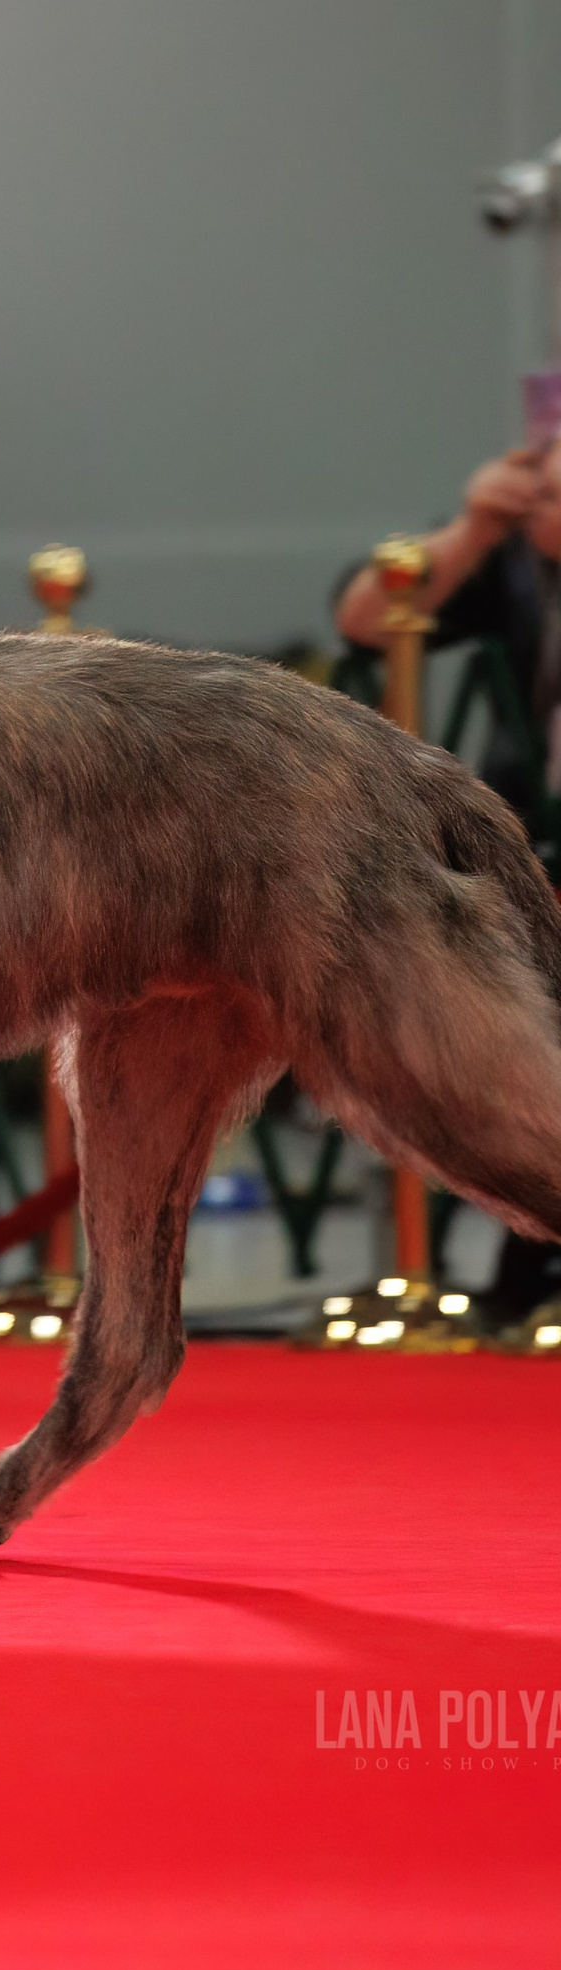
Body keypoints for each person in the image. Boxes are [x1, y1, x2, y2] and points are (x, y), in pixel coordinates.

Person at [335, 437, 561, 1321]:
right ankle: (517, 1262)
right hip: (520, 852)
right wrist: (475, 528)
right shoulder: (507, 553)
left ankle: (525, 1268)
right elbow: (363, 616)